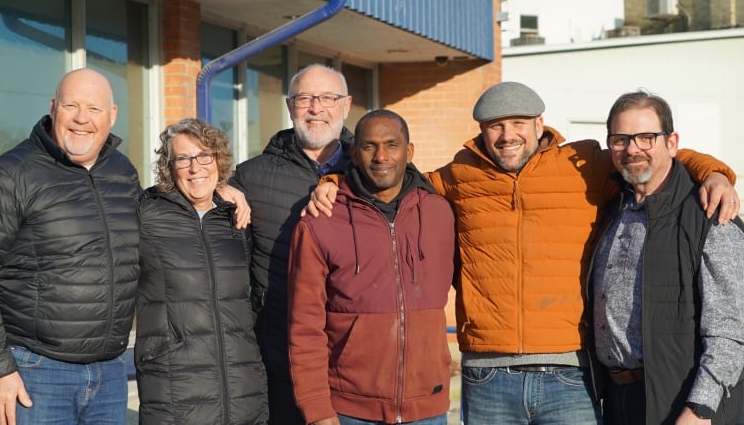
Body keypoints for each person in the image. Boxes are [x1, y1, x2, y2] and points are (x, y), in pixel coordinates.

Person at [307, 82, 739, 424]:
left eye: (518, 122)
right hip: (487, 375)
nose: (507, 134)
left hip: (570, 375)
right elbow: (387, 174)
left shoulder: (585, 163)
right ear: (481, 131)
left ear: (539, 124)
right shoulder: (457, 176)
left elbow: (653, 156)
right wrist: (334, 183)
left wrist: (716, 174)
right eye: (495, 125)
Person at [0, 68, 141, 425]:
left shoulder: (122, 172)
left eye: (94, 108)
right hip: (34, 374)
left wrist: (219, 195)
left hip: (109, 374)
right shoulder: (6, 176)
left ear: (112, 115)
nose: (81, 118)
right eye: (70, 105)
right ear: (52, 107)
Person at [287, 109, 455, 425]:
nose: (381, 156)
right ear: (354, 152)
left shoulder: (440, 212)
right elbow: (304, 326)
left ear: (410, 151)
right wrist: (317, 411)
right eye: (369, 146)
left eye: (392, 145)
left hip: (428, 409)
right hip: (350, 411)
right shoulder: (320, 221)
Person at [588, 91, 744, 424]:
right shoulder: (612, 209)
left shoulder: (709, 215)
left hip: (683, 404)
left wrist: (700, 408)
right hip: (619, 402)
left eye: (646, 138)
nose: (632, 149)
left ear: (671, 143)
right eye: (621, 140)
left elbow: (730, 328)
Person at [222, 63, 354, 424]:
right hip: (281, 360)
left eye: (327, 97)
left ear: (346, 105)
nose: (316, 108)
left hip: (355, 363)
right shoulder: (252, 175)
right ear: (289, 105)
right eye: (305, 98)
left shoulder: (372, 169)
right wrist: (221, 187)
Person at [134, 118, 268, 424]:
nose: (195, 167)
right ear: (169, 167)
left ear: (218, 160)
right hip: (175, 392)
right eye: (183, 158)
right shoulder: (146, 214)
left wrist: (226, 190)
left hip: (243, 391)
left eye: (204, 156)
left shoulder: (237, 221)